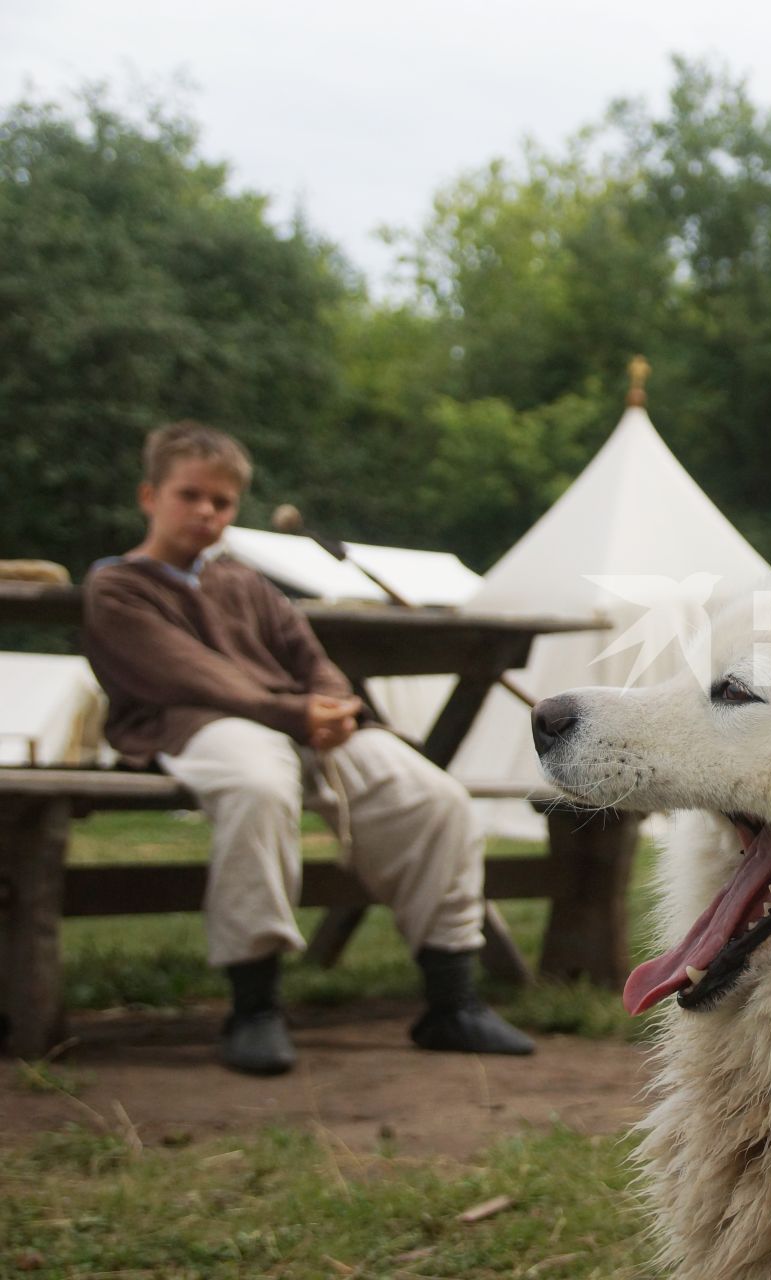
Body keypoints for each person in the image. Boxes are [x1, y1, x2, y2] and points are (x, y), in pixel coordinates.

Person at [83, 421, 534, 1074]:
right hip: (193, 725)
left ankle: (451, 1001)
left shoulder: (242, 582)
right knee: (259, 791)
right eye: (190, 496)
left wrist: (335, 706)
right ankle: (255, 1005)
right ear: (149, 496)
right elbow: (184, 675)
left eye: (222, 502)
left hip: (298, 722)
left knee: (435, 798)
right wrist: (296, 711)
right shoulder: (118, 586)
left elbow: (308, 654)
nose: (207, 512)